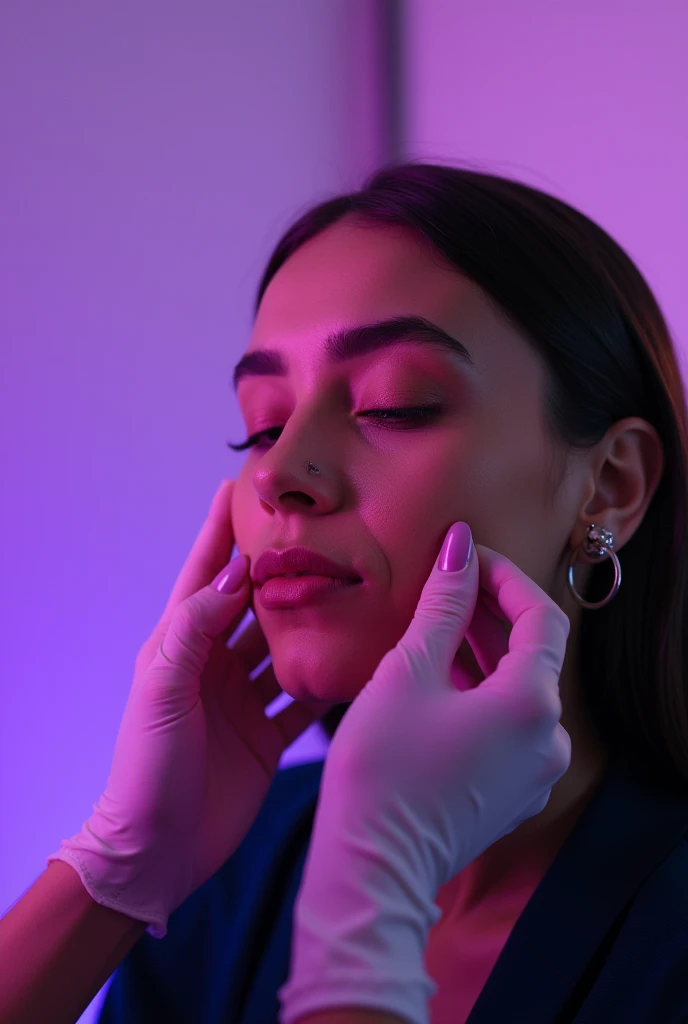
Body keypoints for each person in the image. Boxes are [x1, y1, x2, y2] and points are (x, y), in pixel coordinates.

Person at [2, 161, 687, 1023]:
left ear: (611, 487)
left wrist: (368, 896)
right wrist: (121, 868)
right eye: (261, 422)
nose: (281, 472)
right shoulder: (232, 872)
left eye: (393, 406)